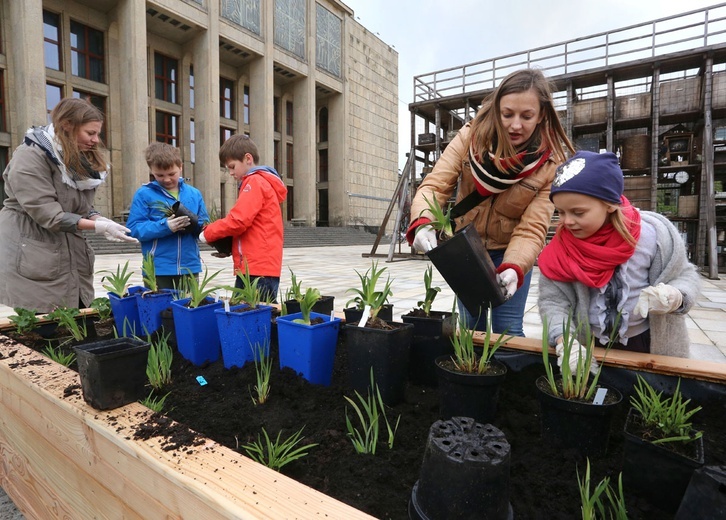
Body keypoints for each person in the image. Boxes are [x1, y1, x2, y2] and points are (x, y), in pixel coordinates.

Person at [407, 68, 575, 336]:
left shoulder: (549, 165)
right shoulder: (470, 137)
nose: (515, 125)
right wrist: (423, 221)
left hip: (509, 250)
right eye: (507, 114)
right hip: (466, 250)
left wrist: (515, 266)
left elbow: (532, 227)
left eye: (527, 116)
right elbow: (435, 185)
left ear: (542, 114)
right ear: (497, 109)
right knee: (471, 329)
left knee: (506, 331)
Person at [537, 150, 700, 367]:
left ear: (610, 203)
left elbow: (683, 274)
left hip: (646, 342)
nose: (567, 221)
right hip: (588, 343)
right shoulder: (560, 251)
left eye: (578, 212)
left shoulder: (654, 236)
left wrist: (676, 295)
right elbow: (553, 301)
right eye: (560, 212)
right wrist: (564, 340)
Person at [0, 97, 137, 313]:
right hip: (33, 249)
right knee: (44, 324)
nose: (96, 140)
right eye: (90, 133)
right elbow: (48, 214)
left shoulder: (75, 159)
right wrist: (97, 227)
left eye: (97, 133)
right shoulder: (29, 157)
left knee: (75, 316)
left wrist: (98, 218)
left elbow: (81, 207)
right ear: (67, 126)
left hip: (67, 250)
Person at [199, 134, 287, 302]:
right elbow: (252, 228)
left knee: (248, 317)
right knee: (254, 315)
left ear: (248, 158)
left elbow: (239, 220)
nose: (231, 173)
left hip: (256, 268)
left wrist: (208, 233)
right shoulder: (261, 182)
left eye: (232, 166)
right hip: (260, 265)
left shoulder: (254, 181)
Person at [126, 142, 209, 291]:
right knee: (161, 313)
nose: (167, 179)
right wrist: (166, 226)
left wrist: (210, 232)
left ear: (181, 167)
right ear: (151, 171)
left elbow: (204, 224)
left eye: (172, 174)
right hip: (158, 268)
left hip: (189, 266)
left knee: (189, 309)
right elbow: (134, 229)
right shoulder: (144, 194)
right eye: (159, 175)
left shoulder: (194, 194)